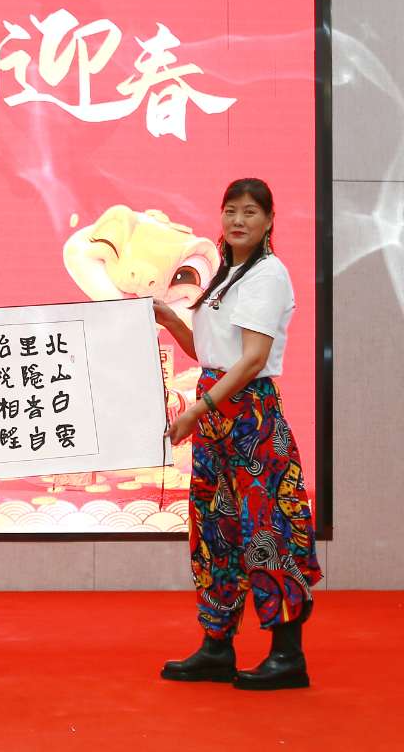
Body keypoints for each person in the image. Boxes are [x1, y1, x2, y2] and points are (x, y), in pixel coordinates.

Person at [153, 178, 322, 690]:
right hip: (215, 416)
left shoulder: (269, 274)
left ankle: (287, 653)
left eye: (250, 211)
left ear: (269, 221)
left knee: (268, 527)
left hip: (249, 417)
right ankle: (216, 646)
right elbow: (210, 354)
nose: (238, 220)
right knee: (214, 530)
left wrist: (196, 409)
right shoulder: (226, 275)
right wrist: (170, 319)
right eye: (230, 210)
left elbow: (250, 361)